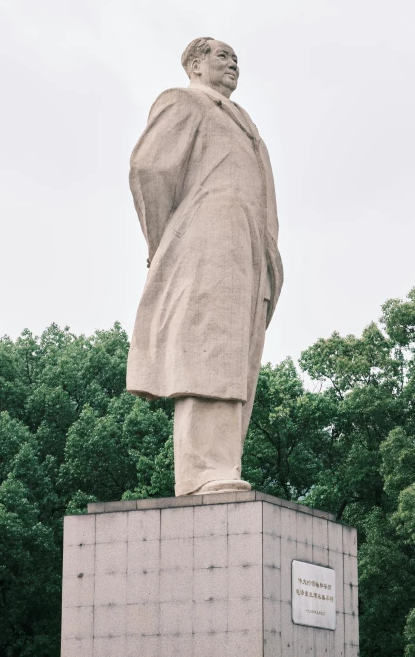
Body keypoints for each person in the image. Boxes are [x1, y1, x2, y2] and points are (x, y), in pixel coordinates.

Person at [127, 37, 283, 496]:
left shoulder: (244, 122)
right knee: (206, 349)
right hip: (207, 237)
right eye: (221, 55)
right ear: (194, 64)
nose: (233, 62)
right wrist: (166, 240)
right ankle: (201, 472)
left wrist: (268, 252)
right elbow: (150, 170)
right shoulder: (184, 102)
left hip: (248, 247)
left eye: (236, 58)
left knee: (236, 357)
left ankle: (225, 463)